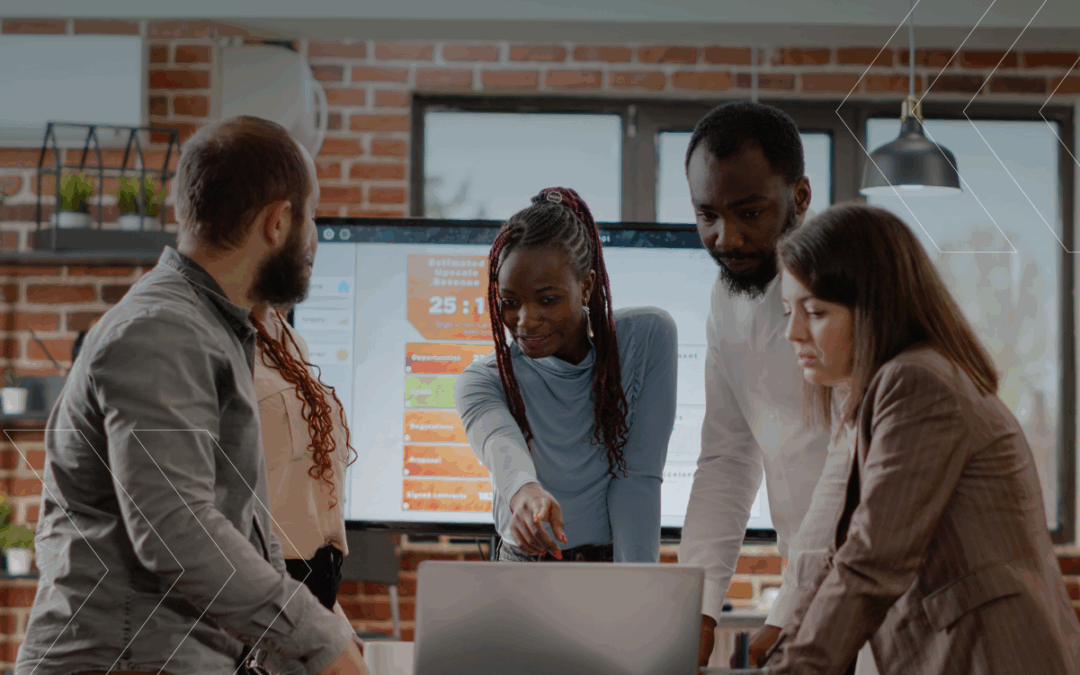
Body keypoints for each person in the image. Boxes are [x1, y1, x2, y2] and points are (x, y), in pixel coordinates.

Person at [17, 116, 369, 675]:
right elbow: (175, 528)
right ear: (279, 222)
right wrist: (316, 641)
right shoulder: (161, 332)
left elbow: (243, 526)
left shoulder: (214, 329)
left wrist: (319, 634)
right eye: (312, 216)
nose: (314, 237)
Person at [766, 202, 1080, 675]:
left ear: (873, 308)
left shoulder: (917, 382)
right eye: (789, 310)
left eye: (814, 311)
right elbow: (838, 550)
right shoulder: (896, 382)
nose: (792, 332)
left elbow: (873, 559)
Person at [676, 100, 845, 669]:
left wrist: (788, 611)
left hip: (881, 583)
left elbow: (854, 469)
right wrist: (694, 607)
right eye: (708, 215)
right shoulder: (725, 302)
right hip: (813, 582)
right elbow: (726, 458)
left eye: (750, 212)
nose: (728, 238)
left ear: (800, 197)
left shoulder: (849, 293)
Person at [455, 187, 677, 563]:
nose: (525, 321)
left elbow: (637, 479)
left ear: (586, 287)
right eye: (510, 303)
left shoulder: (646, 339)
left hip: (608, 567)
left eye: (547, 299)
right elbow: (501, 446)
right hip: (524, 568)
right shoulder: (485, 379)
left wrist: (638, 591)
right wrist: (525, 491)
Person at [250, 293, 358, 671]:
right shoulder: (210, 340)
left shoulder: (285, 335)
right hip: (264, 604)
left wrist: (332, 616)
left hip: (313, 592)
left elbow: (298, 499)